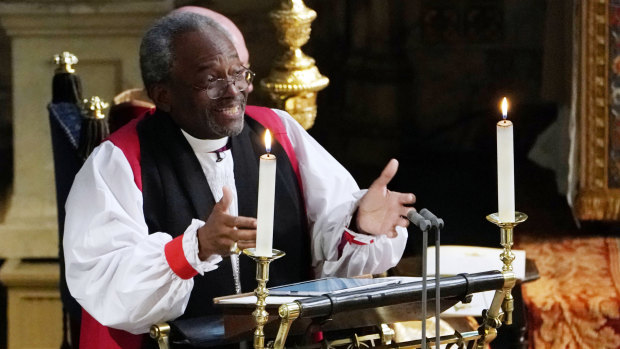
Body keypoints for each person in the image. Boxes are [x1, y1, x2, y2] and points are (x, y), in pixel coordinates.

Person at [63, 11, 416, 347]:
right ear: (163, 95)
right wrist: (193, 249)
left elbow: (328, 253)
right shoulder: (119, 161)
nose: (233, 90)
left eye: (238, 73)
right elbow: (105, 283)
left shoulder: (279, 131)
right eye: (210, 79)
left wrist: (361, 227)